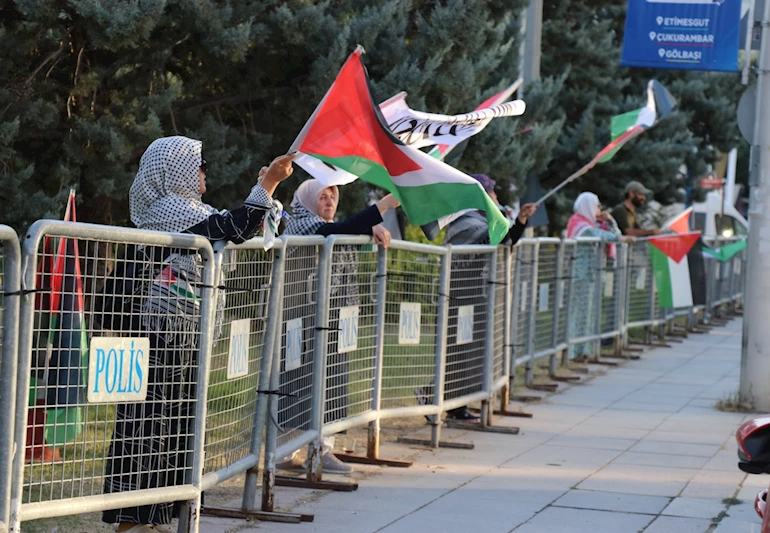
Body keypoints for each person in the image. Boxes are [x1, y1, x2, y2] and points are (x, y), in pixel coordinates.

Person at [101, 136, 294, 533]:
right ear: (173, 170)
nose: (205, 169)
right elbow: (235, 225)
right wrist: (268, 184)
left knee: (179, 425)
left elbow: (260, 226)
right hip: (155, 337)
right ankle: (132, 521)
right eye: (198, 162)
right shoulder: (168, 209)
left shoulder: (191, 210)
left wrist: (267, 190)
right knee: (146, 425)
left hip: (182, 337)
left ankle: (157, 518)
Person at [277, 178, 399, 474]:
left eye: (333, 195)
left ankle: (322, 448)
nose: (330, 201)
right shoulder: (301, 224)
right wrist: (381, 208)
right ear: (307, 200)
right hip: (302, 319)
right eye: (322, 196)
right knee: (298, 382)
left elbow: (340, 229)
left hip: (332, 321)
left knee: (331, 381)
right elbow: (334, 231)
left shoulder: (329, 226)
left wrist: (369, 226)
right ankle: (287, 451)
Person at [420, 174, 536, 423]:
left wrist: (521, 221)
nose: (496, 196)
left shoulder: (486, 218)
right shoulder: (466, 218)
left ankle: (456, 403)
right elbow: (491, 239)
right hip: (459, 292)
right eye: (492, 192)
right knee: (457, 350)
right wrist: (505, 221)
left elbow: (504, 240)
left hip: (475, 293)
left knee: (469, 350)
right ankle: (433, 395)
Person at [567, 193, 633, 358]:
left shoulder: (592, 223)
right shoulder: (579, 223)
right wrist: (621, 238)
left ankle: (584, 349)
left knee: (588, 313)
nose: (599, 209)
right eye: (597, 205)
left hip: (590, 274)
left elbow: (611, 232)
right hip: (579, 275)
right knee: (578, 313)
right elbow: (599, 235)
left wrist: (611, 221)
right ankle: (573, 350)